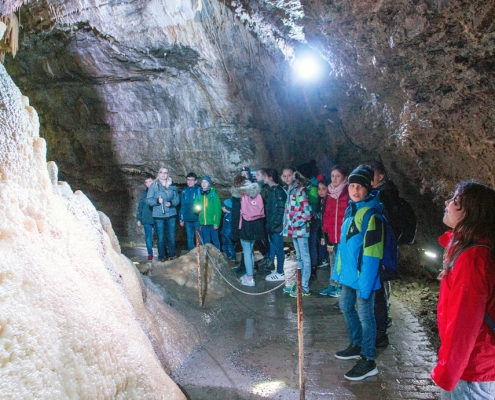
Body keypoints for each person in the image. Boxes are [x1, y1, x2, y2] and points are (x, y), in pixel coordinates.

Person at [431, 181, 495, 399]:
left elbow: (464, 324)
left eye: (456, 201)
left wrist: (447, 373)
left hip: (473, 371)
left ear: (472, 213)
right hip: (476, 364)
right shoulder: (469, 248)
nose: (448, 203)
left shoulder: (472, 258)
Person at [332, 165, 384, 381]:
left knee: (366, 316)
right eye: (351, 185)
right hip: (349, 276)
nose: (354, 190)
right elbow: (343, 247)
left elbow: (373, 255)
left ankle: (368, 359)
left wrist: (366, 285)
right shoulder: (351, 210)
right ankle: (356, 343)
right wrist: (337, 272)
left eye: (359, 186)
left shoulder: (372, 216)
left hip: (364, 278)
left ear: (367, 188)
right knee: (345, 305)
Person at [281, 167, 312, 297]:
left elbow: (307, 213)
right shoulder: (289, 191)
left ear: (294, 176)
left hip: (301, 231)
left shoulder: (299, 192)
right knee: (299, 257)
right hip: (294, 231)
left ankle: (304, 286)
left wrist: (296, 224)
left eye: (289, 175)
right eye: (284, 176)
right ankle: (299, 284)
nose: (287, 178)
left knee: (305, 257)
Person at [231, 174, 266, 287]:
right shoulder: (255, 191)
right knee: (250, 250)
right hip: (257, 224)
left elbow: (236, 215)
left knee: (246, 252)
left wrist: (234, 232)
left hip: (245, 226)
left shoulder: (238, 194)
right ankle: (249, 273)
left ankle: (250, 278)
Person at [319, 165, 349, 297]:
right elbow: (327, 215)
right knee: (332, 261)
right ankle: (333, 284)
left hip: (343, 236)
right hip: (332, 235)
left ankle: (341, 288)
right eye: (333, 176)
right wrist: (325, 235)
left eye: (338, 176)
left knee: (342, 262)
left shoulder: (348, 193)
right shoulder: (330, 193)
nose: (335, 179)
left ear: (344, 178)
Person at [259, 168, 287, 282]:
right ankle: (277, 269)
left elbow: (280, 210)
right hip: (272, 226)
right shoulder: (271, 190)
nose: (263, 178)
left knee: (279, 248)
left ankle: (280, 272)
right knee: (274, 247)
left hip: (277, 226)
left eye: (264, 176)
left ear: (270, 177)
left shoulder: (278, 191)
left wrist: (275, 224)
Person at [146, 167, 180, 262]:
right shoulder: (154, 185)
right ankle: (161, 257)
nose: (163, 174)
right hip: (159, 216)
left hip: (171, 214)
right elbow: (149, 200)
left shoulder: (172, 186)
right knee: (161, 237)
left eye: (165, 172)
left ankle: (172, 255)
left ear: (168, 174)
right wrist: (157, 201)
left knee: (171, 237)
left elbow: (177, 199)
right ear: (158, 174)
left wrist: (172, 203)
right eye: (161, 172)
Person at [193, 175, 222, 249]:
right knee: (206, 241)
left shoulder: (214, 195)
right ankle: (207, 257)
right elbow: (194, 207)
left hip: (212, 222)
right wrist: (197, 209)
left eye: (206, 182)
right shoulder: (199, 195)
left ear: (209, 183)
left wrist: (216, 223)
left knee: (215, 240)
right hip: (204, 223)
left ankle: (217, 257)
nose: (204, 184)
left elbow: (218, 210)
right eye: (202, 182)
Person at [179, 172, 200, 251]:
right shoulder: (184, 192)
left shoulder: (199, 191)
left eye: (192, 180)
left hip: (197, 218)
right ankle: (191, 253)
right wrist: (181, 218)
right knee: (189, 236)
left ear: (195, 181)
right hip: (187, 218)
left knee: (199, 236)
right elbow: (182, 205)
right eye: (188, 180)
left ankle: (200, 253)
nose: (190, 182)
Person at [136, 176, 155, 261]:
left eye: (149, 182)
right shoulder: (144, 194)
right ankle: (150, 253)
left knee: (160, 235)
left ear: (153, 181)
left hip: (156, 217)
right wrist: (138, 218)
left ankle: (164, 252)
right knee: (148, 236)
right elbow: (140, 206)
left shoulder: (157, 191)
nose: (148, 184)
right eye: (146, 182)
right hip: (146, 217)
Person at [220, 198, 236, 264]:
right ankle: (228, 257)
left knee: (230, 247)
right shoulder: (225, 215)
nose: (222, 208)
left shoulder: (231, 216)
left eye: (223, 207)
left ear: (228, 208)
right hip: (224, 235)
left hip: (229, 235)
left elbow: (230, 227)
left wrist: (229, 235)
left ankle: (233, 259)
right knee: (225, 247)